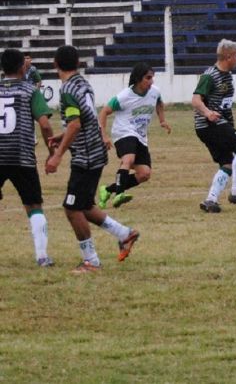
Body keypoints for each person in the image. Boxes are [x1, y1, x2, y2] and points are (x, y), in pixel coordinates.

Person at [45, 45, 140, 273]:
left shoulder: (67, 90)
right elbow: (84, 118)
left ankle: (91, 260)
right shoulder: (83, 84)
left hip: (86, 157)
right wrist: (61, 136)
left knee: (71, 208)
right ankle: (125, 234)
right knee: (84, 205)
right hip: (95, 152)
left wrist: (57, 155)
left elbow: (75, 124)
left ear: (55, 64)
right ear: (78, 63)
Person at [0, 49, 56, 267]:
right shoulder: (30, 91)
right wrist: (52, 151)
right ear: (23, 67)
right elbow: (44, 124)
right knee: (33, 205)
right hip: (21, 155)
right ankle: (42, 256)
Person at [193, 39, 236, 213]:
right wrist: (208, 113)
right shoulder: (210, 76)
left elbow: (225, 105)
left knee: (227, 163)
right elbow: (196, 100)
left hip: (215, 125)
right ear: (228, 56)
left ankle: (210, 200)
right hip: (209, 124)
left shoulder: (227, 76)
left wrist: (230, 125)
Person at [98, 62, 171, 210]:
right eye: (148, 78)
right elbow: (104, 112)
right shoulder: (124, 96)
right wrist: (104, 136)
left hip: (141, 137)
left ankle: (107, 190)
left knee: (144, 174)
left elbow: (159, 103)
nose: (151, 81)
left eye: (152, 78)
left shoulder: (154, 92)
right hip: (123, 132)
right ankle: (119, 194)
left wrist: (162, 120)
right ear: (138, 79)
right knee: (128, 159)